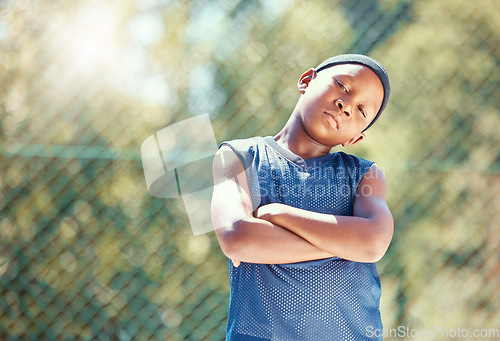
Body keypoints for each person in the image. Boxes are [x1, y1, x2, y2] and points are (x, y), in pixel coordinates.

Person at [211, 54, 394, 341]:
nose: (346, 105)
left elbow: (372, 243)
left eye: (361, 110)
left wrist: (278, 215)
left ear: (355, 138)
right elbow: (238, 237)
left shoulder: (364, 175)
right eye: (342, 86)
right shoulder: (239, 157)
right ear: (307, 81)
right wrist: (346, 242)